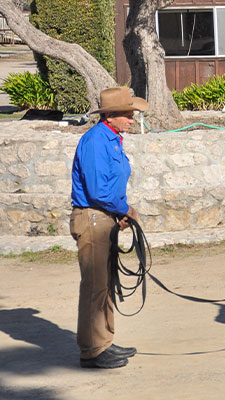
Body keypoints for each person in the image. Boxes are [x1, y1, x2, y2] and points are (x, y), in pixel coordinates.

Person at [70, 87, 148, 369]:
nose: (132, 119)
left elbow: (110, 185)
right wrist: (126, 210)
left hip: (104, 218)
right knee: (95, 285)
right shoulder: (96, 142)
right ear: (111, 116)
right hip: (92, 218)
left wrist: (119, 214)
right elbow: (98, 190)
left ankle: (104, 341)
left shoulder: (112, 139)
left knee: (105, 283)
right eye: (128, 114)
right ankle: (92, 350)